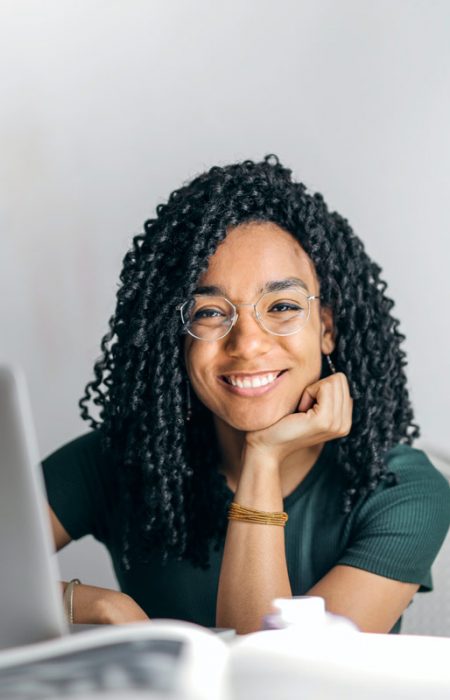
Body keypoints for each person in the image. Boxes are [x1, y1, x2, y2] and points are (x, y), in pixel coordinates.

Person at [43, 155, 450, 634]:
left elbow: (276, 678)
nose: (249, 343)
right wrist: (95, 605)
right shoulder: (120, 460)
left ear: (327, 328)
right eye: (210, 313)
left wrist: (263, 456)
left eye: (281, 306)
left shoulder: (400, 489)